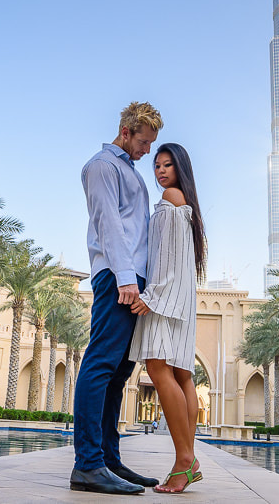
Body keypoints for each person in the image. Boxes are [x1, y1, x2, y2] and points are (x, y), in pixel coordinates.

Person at [70, 101, 164, 495]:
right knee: (100, 364)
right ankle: (87, 464)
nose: (147, 151)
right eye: (143, 142)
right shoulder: (102, 166)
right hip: (116, 278)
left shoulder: (127, 170)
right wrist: (126, 280)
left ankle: (108, 459)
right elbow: (109, 225)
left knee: (121, 372)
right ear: (126, 133)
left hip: (133, 280)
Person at [128, 142, 206, 494]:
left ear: (180, 169)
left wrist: (152, 297)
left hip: (165, 299)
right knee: (181, 374)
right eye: (157, 165)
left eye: (167, 165)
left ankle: (184, 461)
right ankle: (188, 460)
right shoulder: (184, 203)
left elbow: (168, 258)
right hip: (180, 300)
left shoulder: (171, 200)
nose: (160, 171)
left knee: (158, 369)